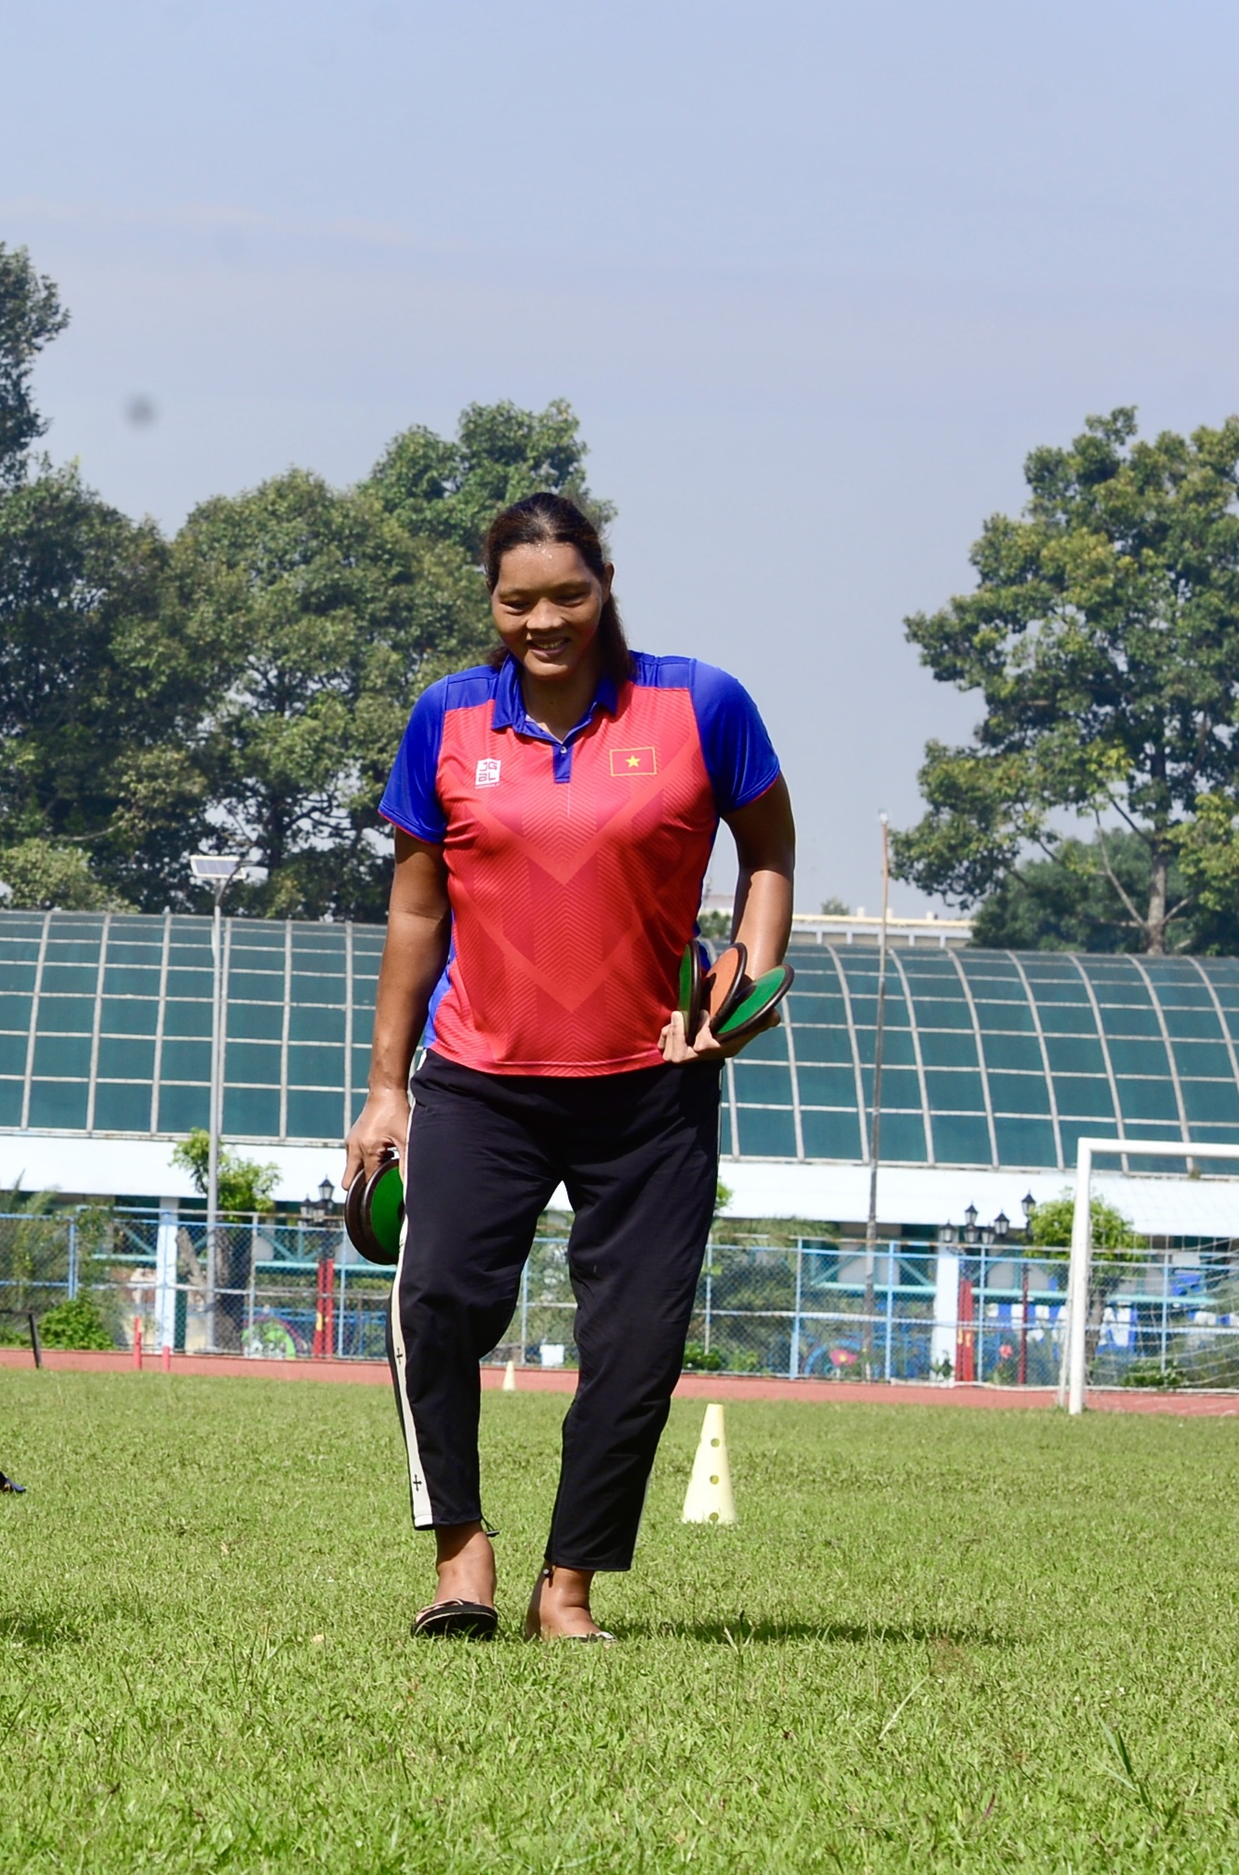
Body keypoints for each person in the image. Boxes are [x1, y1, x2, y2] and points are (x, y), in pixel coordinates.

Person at [346, 493, 795, 1642]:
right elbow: (412, 913)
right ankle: (460, 1557)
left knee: (637, 1343)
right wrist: (387, 1087)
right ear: (490, 601)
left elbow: (770, 846)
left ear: (605, 579)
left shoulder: (700, 703)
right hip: (480, 1077)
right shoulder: (445, 719)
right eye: (516, 600)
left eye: (567, 595)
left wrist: (747, 973)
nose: (542, 620)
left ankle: (568, 1585)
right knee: (438, 1304)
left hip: (651, 1087)